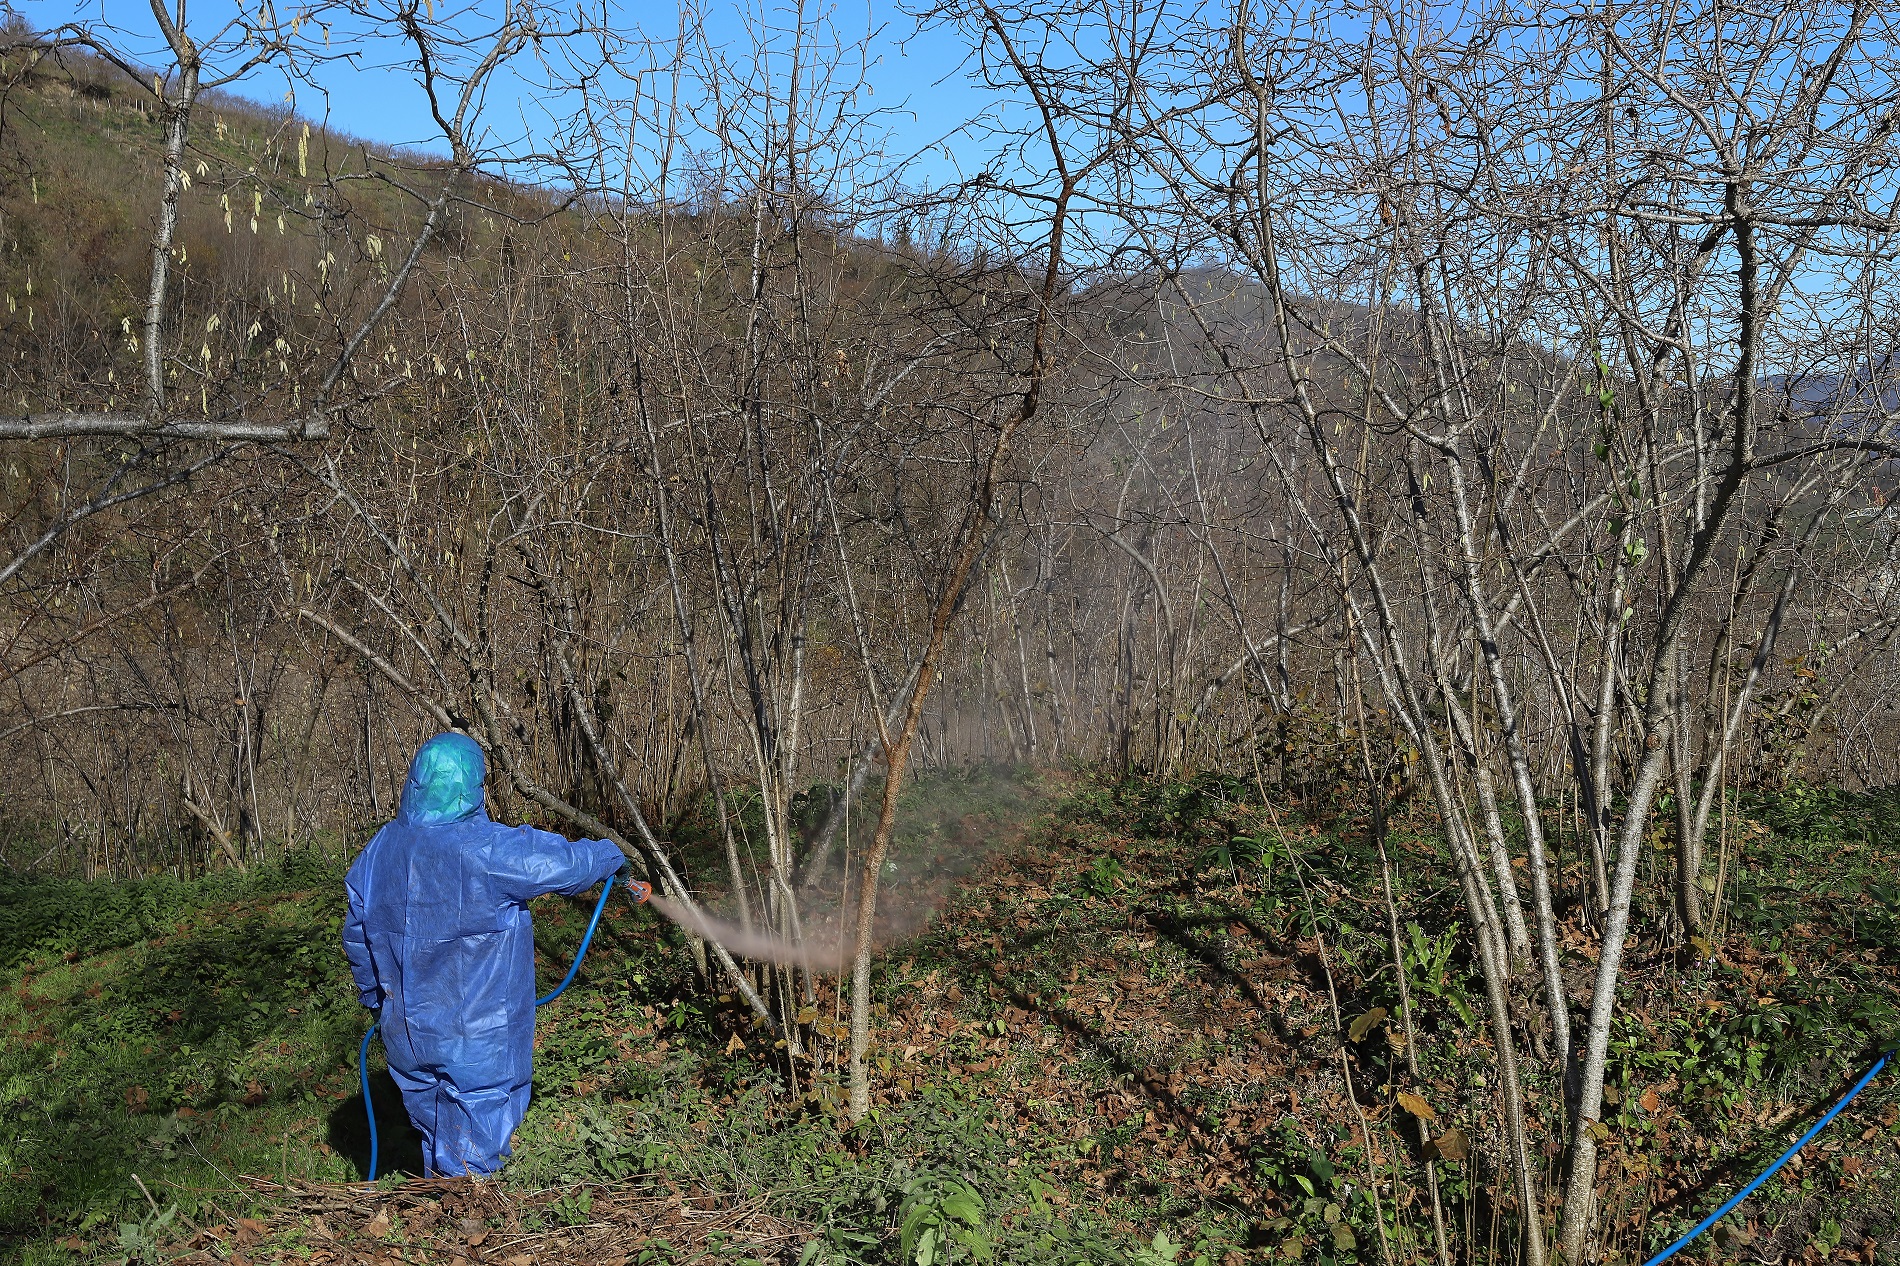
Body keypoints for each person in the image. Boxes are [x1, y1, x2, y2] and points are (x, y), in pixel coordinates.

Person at [342, 732, 643, 1177]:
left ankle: (435, 1205)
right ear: (471, 786)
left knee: (434, 1126)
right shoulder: (489, 849)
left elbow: (357, 935)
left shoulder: (380, 850)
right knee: (475, 1151)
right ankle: (464, 1213)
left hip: (407, 1033)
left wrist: (375, 999)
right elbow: (562, 864)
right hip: (477, 1037)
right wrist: (610, 855)